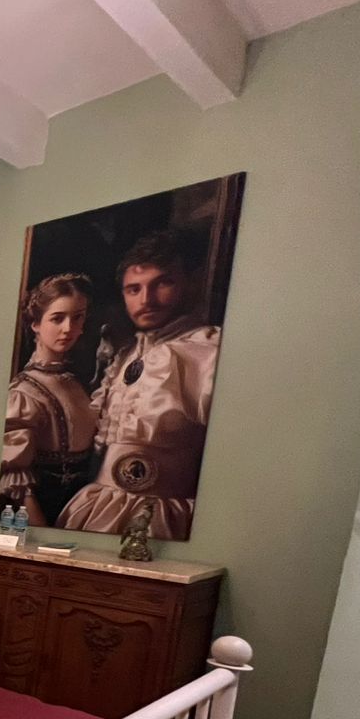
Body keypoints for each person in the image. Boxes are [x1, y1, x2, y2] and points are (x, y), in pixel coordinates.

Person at [57, 231, 218, 540]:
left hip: (163, 518)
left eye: (163, 283)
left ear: (189, 283)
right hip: (97, 509)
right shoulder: (124, 356)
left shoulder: (207, 351)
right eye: (134, 289)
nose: (146, 300)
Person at [0, 273, 97, 527]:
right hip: (45, 509)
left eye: (77, 317)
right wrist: (43, 534)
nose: (69, 328)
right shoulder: (23, 392)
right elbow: (18, 483)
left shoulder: (77, 382)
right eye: (57, 318)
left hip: (83, 507)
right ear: (35, 324)